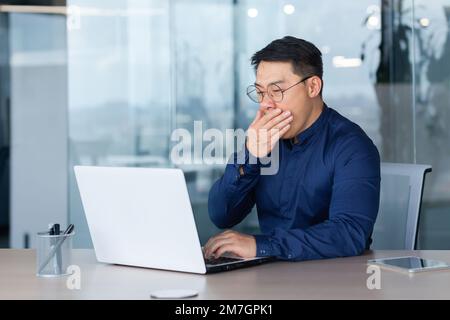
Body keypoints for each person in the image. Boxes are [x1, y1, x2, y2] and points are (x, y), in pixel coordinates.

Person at [204, 36, 381, 261]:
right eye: (260, 92)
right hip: (270, 276)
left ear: (313, 87)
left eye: (276, 91)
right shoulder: (266, 140)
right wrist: (250, 156)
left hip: (332, 279)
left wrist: (261, 246)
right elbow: (222, 215)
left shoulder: (352, 146)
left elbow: (348, 233)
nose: (265, 104)